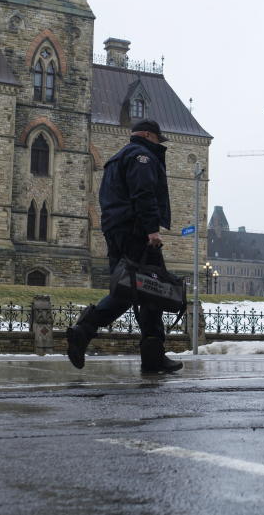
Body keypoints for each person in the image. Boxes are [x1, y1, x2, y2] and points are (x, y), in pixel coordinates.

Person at [66, 119, 183, 374]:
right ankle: (87, 331)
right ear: (149, 135)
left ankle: (151, 356)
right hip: (137, 232)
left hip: (115, 232)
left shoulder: (115, 159)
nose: (158, 144)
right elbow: (144, 193)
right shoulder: (142, 157)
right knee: (152, 289)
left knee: (132, 289)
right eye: (157, 139)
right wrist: (152, 229)